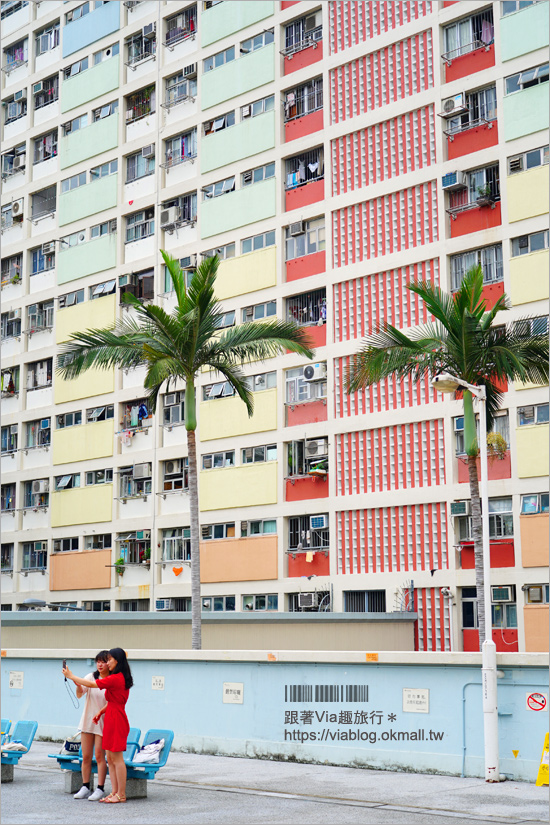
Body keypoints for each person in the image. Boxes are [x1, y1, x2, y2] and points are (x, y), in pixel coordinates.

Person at [63, 648, 133, 804]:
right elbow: (113, 702)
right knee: (110, 758)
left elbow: (91, 684)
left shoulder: (116, 678)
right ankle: (114, 792)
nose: (106, 663)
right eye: (103, 660)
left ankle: (121, 794)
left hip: (116, 719)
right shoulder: (117, 677)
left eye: (109, 660)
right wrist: (101, 712)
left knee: (117, 759)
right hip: (110, 717)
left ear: (117, 661)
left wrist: (71, 676)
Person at [72, 651, 109, 801]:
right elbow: (80, 694)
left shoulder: (112, 680)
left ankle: (100, 788)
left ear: (109, 663)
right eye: (98, 661)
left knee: (100, 756)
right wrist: (78, 686)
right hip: (88, 720)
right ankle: (85, 786)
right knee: (86, 756)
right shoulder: (90, 677)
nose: (100, 664)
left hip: (102, 721)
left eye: (103, 661)